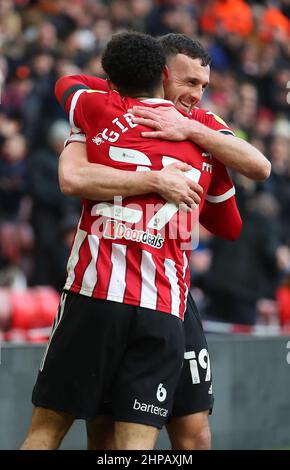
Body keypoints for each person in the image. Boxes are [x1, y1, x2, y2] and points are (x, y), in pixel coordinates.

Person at [21, 32, 242, 450]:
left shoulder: (94, 112)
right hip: (160, 305)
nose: (197, 95)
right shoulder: (203, 138)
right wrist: (168, 172)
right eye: (190, 83)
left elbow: (65, 87)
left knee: (46, 432)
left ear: (111, 79)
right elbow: (233, 220)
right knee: (126, 445)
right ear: (163, 74)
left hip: (97, 293)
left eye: (203, 87)